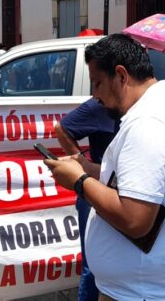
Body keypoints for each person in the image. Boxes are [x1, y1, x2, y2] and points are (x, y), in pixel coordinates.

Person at [44, 34, 165, 300]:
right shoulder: (157, 110)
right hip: (143, 289)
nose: (94, 95)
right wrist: (84, 166)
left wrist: (80, 182)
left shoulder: (149, 123)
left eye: (97, 83)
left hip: (144, 293)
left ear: (121, 75)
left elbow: (135, 219)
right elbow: (133, 181)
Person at [55, 98, 120, 301]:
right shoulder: (100, 104)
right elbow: (62, 129)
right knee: (93, 267)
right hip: (94, 193)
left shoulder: (141, 110)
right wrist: (82, 161)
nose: (96, 91)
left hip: (121, 195)